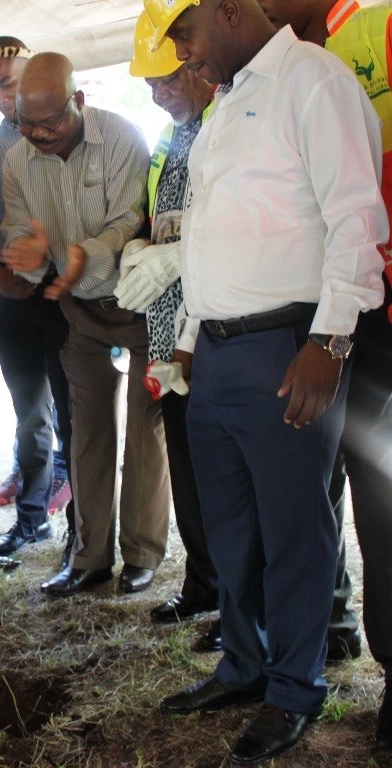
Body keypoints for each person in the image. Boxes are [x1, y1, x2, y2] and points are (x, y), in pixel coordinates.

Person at [143, 0, 388, 763]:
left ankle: (293, 689)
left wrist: (330, 340)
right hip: (215, 352)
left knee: (294, 532)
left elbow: (356, 217)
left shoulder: (312, 80)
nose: (184, 58)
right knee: (232, 530)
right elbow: (211, 232)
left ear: (226, 10)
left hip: (288, 345)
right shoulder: (225, 102)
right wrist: (186, 339)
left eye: (185, 37)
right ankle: (244, 664)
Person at [253, 0, 392, 747]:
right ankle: (327, 625)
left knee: (382, 493)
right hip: (308, 317)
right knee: (314, 480)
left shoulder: (377, 31)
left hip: (369, 308)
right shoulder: (262, 70)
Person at [0, 52, 170, 598]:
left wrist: (82, 255)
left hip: (140, 304)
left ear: (78, 100)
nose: (39, 134)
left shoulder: (123, 139)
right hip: (76, 310)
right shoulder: (18, 161)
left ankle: (142, 555)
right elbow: (13, 228)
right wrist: (24, 251)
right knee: (86, 432)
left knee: (146, 432)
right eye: (27, 123)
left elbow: (130, 218)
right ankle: (90, 557)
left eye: (50, 122)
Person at [118, 12, 220, 651]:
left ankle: (240, 602)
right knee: (185, 463)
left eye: (168, 79)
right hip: (168, 329)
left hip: (217, 323)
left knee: (223, 475)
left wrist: (178, 257)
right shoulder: (168, 136)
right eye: (150, 85)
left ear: (198, 62)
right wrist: (136, 245)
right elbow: (157, 212)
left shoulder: (229, 126)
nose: (159, 94)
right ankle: (206, 584)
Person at [0, 36, 75, 565]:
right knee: (29, 414)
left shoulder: (71, 128)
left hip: (67, 295)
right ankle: (32, 522)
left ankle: (85, 529)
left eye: (7, 83)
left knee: (74, 415)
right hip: (13, 301)